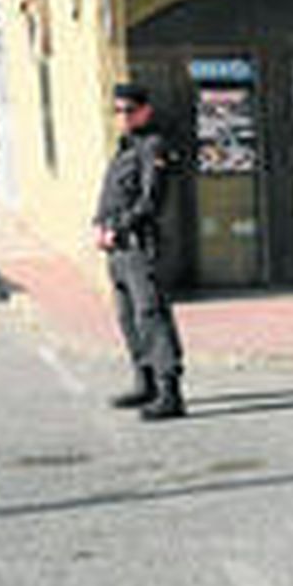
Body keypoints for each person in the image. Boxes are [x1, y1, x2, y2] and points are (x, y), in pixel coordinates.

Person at [93, 82, 186, 421]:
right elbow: (113, 194)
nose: (123, 117)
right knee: (128, 317)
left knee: (151, 315)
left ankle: (169, 392)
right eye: (117, 111)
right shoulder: (125, 146)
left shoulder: (152, 146)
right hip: (117, 248)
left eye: (129, 110)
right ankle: (144, 382)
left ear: (145, 111)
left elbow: (151, 202)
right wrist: (99, 224)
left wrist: (118, 227)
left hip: (138, 245)